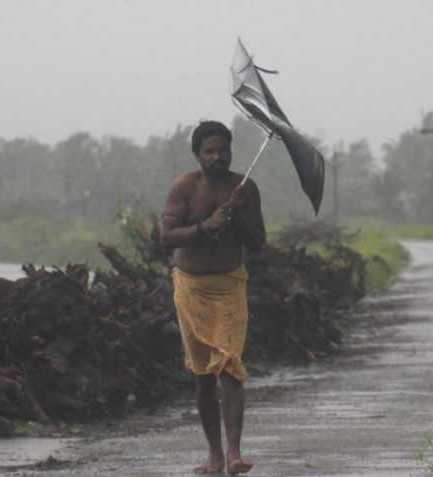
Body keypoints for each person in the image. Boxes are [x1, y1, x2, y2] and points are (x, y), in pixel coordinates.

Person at [161, 120, 266, 475]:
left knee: (230, 364)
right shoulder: (185, 187)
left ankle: (235, 453)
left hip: (230, 286)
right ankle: (214, 455)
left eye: (223, 150)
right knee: (203, 374)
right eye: (210, 151)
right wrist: (205, 226)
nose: (218, 157)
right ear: (197, 155)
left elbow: (258, 242)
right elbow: (167, 235)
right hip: (190, 288)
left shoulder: (245, 188)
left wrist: (237, 219)